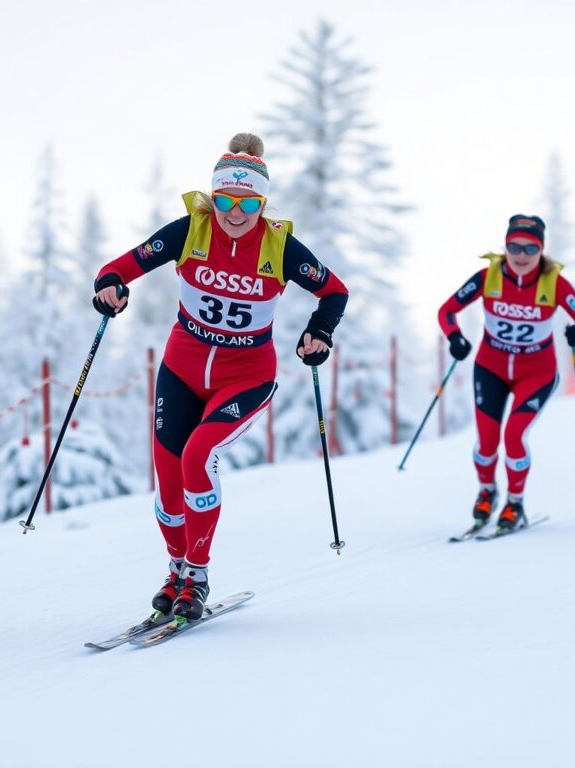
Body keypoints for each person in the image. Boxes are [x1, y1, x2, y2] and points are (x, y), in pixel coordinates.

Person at [92, 133, 348, 620]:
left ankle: (199, 574)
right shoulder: (190, 230)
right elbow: (120, 266)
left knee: (198, 455)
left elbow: (334, 292)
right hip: (181, 371)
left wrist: (319, 333)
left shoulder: (279, 244)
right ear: (214, 198)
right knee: (168, 485)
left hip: (245, 376)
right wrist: (110, 287)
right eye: (227, 199)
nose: (236, 212)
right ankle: (176, 569)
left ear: (261, 202)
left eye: (247, 202)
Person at [437, 214, 575, 532]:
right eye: (514, 246)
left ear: (541, 250)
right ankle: (487, 492)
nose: (521, 255)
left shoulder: (554, 283)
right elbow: (447, 311)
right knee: (486, 442)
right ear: (506, 245)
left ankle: (515, 502)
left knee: (513, 436)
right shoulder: (488, 277)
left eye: (530, 248)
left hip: (537, 373)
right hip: (491, 368)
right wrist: (455, 337)